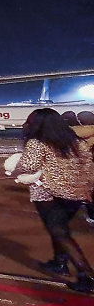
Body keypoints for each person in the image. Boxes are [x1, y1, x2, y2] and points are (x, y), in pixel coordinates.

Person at [13, 108, 94, 292]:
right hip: (75, 193)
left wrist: (18, 161)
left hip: (48, 193)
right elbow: (88, 166)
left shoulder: (37, 142)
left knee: (60, 232)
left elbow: (29, 165)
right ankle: (59, 262)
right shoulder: (77, 142)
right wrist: (88, 189)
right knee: (60, 229)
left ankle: (87, 275)